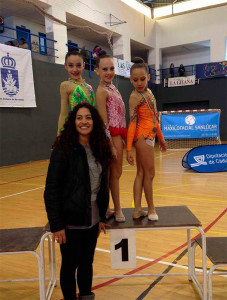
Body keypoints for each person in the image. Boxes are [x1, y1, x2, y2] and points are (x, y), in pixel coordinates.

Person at [44, 103, 112, 300]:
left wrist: (100, 215)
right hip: (70, 221)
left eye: (88, 117)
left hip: (92, 219)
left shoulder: (99, 148)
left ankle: (86, 296)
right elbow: (51, 190)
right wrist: (57, 225)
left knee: (86, 262)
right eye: (79, 118)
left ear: (94, 121)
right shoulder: (62, 149)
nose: (84, 121)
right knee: (70, 265)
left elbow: (101, 186)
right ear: (73, 122)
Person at [127, 57, 167, 221]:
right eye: (135, 80)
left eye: (142, 79)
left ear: (148, 77)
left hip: (150, 136)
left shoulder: (149, 93)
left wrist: (161, 138)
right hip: (142, 137)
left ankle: (137, 210)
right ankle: (151, 208)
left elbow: (154, 118)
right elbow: (131, 124)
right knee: (150, 173)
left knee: (142, 173)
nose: (139, 83)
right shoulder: (134, 97)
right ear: (130, 79)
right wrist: (129, 148)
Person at [95, 50, 127, 223]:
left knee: (115, 174)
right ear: (97, 71)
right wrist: (111, 145)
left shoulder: (113, 88)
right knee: (113, 174)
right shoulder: (101, 91)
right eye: (105, 69)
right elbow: (103, 122)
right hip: (111, 137)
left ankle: (107, 208)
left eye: (111, 68)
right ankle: (117, 209)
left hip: (119, 135)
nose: (109, 72)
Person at [57, 50, 95, 135]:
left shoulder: (89, 87)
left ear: (83, 65)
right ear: (65, 66)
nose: (75, 69)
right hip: (76, 131)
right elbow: (63, 114)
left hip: (92, 131)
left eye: (78, 65)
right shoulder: (65, 85)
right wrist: (59, 137)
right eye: (70, 65)